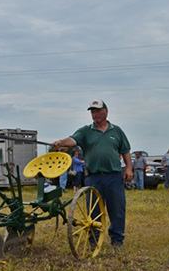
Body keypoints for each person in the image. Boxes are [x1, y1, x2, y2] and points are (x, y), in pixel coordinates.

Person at [52, 99, 131, 250]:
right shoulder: (85, 131)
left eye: (97, 111)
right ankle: (94, 240)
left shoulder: (117, 131)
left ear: (105, 111)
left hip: (114, 176)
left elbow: (125, 151)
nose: (95, 114)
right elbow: (72, 140)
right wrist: (60, 142)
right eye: (92, 112)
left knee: (117, 209)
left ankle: (117, 240)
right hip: (93, 176)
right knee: (93, 211)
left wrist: (129, 168)